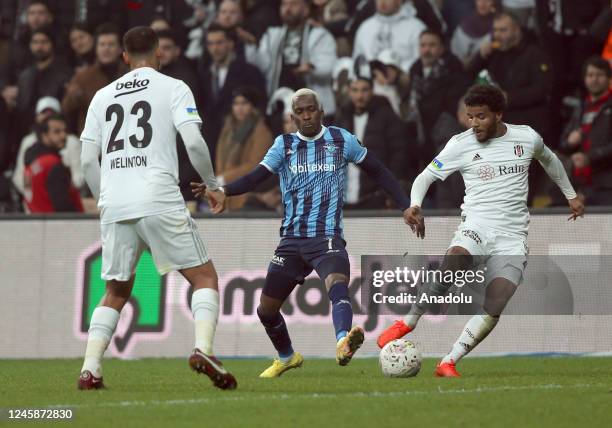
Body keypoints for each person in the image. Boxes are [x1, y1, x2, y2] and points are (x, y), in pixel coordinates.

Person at [192, 88, 413, 377]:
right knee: (266, 310)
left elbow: (379, 170)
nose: (307, 115)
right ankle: (287, 356)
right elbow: (256, 177)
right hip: (292, 242)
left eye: (311, 109)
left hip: (327, 237)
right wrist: (224, 190)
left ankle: (343, 341)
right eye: (301, 111)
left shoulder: (340, 140)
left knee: (337, 284)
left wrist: (405, 206)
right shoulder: (283, 145)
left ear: (321, 112)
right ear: (292, 117)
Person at [377, 84, 584, 377]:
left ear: (498, 114)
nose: (474, 124)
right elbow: (425, 176)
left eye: (481, 117)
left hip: (512, 236)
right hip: (476, 226)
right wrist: (414, 205)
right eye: (470, 116)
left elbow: (550, 160)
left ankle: (449, 361)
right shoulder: (460, 144)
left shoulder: (525, 137)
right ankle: (408, 322)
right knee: (454, 261)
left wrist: (570, 195)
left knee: (498, 299)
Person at [78, 26, 236, 390]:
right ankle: (203, 348)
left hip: (115, 203)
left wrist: (107, 198)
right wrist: (212, 186)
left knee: (116, 290)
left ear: (123, 57)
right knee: (204, 277)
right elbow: (194, 142)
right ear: (159, 54)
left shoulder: (102, 96)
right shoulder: (173, 87)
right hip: (158, 197)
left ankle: (90, 369)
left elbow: (88, 160)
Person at [559, 56, 612, 205]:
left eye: (600, 75)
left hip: (607, 185)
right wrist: (570, 142)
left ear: (609, 78)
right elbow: (562, 144)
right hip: (580, 185)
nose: (594, 79)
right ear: (584, 79)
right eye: (590, 75)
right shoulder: (580, 108)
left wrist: (589, 157)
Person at [215, 87, 274, 211]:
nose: (239, 108)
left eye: (244, 103)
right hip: (225, 193)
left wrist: (224, 178)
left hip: (246, 195)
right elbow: (219, 158)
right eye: (236, 104)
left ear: (252, 106)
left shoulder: (261, 131)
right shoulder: (227, 130)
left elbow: (255, 165)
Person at [62, 24, 127, 135]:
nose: (106, 48)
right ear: (96, 48)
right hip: (93, 142)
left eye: (111, 44)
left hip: (125, 139)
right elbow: (66, 109)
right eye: (102, 44)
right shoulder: (82, 77)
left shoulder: (131, 74)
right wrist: (73, 96)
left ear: (120, 49)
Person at [23, 114, 83, 213]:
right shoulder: (53, 165)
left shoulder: (32, 163)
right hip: (56, 224)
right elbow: (63, 206)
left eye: (65, 131)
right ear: (44, 135)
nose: (63, 136)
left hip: (35, 222)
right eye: (57, 132)